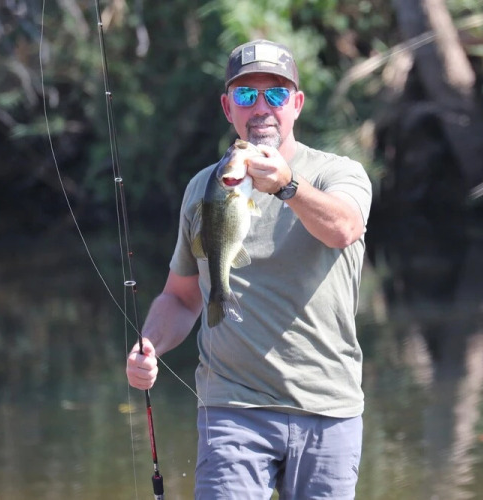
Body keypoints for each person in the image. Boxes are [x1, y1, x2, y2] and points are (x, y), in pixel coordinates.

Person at [126, 39, 372, 499]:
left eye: (276, 94)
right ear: (227, 108)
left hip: (327, 407)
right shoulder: (204, 187)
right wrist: (150, 345)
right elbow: (181, 296)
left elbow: (344, 228)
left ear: (296, 104)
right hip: (231, 407)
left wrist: (287, 186)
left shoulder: (338, 173)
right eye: (245, 94)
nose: (261, 108)